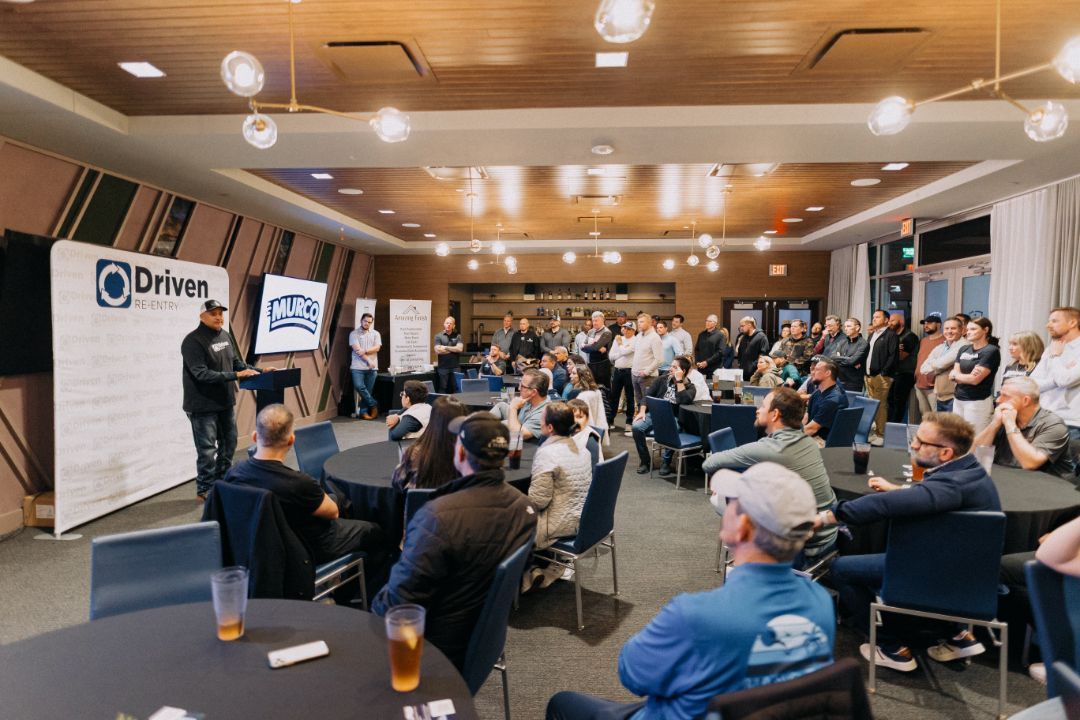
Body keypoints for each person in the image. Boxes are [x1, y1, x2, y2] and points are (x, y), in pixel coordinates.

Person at [546, 462, 834, 720]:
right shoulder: (820, 603)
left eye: (732, 502)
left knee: (562, 703)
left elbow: (632, 674)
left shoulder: (696, 615)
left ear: (743, 527)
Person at [818, 412, 1001, 672]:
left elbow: (881, 505)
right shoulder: (969, 471)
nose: (913, 445)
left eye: (920, 441)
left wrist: (830, 515)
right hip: (972, 575)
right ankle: (956, 633)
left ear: (946, 453)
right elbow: (933, 496)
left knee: (841, 569)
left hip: (941, 575)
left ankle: (891, 646)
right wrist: (898, 490)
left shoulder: (951, 485)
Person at [372, 413, 537, 671]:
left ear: (459, 455)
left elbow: (397, 604)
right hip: (483, 641)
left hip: (434, 650)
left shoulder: (437, 517)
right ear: (504, 457)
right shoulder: (525, 509)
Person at [225, 404, 384, 565]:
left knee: (339, 499)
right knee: (372, 530)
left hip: (257, 548)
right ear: (291, 440)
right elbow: (332, 512)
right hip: (306, 548)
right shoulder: (298, 483)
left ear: (254, 437)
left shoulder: (234, 474)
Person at [703, 387, 838, 567]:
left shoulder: (770, 449)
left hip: (807, 547)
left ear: (774, 415)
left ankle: (747, 564)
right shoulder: (810, 443)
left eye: (763, 405)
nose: (757, 409)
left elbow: (709, 463)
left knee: (725, 499)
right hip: (830, 533)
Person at [181, 299, 264, 500]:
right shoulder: (192, 341)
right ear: (202, 316)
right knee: (207, 450)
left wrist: (259, 371)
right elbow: (201, 374)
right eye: (213, 313)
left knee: (229, 444)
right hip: (202, 405)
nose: (218, 317)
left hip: (225, 402)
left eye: (220, 313)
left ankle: (223, 481)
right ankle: (205, 489)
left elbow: (236, 363)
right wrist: (235, 376)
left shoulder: (225, 336)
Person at [523, 402, 594, 591]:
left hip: (558, 525)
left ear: (550, 427)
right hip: (583, 520)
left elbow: (539, 501)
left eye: (542, 418)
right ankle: (538, 566)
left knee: (507, 519)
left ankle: (524, 572)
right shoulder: (584, 450)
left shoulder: (547, 454)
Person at [972, 376, 1073, 479]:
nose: (998, 400)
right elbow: (973, 454)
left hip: (1047, 486)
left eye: (1005, 396)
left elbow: (1030, 463)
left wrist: (1010, 425)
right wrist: (994, 425)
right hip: (1010, 478)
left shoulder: (1053, 425)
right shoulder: (1002, 416)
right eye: (999, 394)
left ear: (1025, 400)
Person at [631, 357, 696, 476]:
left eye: (675, 367)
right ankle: (645, 461)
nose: (670, 369)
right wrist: (642, 411)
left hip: (673, 417)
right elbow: (646, 397)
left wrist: (679, 381)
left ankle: (666, 462)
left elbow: (685, 401)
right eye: (671, 366)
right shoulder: (661, 380)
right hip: (654, 414)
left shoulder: (690, 387)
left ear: (684, 371)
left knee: (673, 429)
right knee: (636, 427)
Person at [390, 396, 468, 491]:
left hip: (419, 504)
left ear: (432, 419)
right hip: (458, 503)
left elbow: (397, 483)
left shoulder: (414, 452)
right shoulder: (469, 454)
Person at [1031, 306, 1080, 442]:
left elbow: (1065, 380)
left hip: (1072, 422)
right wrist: (1055, 379)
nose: (1048, 325)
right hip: (1045, 418)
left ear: (1072, 323)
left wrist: (1055, 358)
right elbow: (1032, 383)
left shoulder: (1054, 352)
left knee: (1067, 463)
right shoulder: (1051, 349)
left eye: (1054, 321)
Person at [950, 316, 1001, 433]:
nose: (968, 332)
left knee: (976, 441)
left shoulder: (990, 351)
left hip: (977, 402)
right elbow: (951, 375)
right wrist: (960, 376)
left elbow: (974, 380)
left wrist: (957, 376)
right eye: (967, 330)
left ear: (985, 330)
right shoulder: (963, 349)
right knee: (958, 438)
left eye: (973, 329)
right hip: (958, 399)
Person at [919, 316, 970, 412]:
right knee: (940, 426)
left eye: (953, 328)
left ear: (961, 330)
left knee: (953, 426)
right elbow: (923, 368)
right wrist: (940, 365)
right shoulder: (941, 346)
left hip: (955, 397)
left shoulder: (964, 345)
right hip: (940, 396)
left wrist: (936, 367)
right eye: (947, 328)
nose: (949, 331)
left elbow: (941, 364)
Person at [864, 309, 899, 444]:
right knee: (872, 404)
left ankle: (881, 434)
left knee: (880, 405)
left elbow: (893, 356)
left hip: (881, 376)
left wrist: (883, 372)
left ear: (886, 320)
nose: (874, 319)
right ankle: (875, 431)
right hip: (868, 375)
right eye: (873, 317)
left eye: (877, 317)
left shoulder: (891, 335)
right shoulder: (872, 334)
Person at [490, 368, 551, 441]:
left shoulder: (543, 414)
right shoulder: (530, 400)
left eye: (522, 386)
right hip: (518, 425)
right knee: (501, 406)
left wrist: (513, 407)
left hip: (524, 447)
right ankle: (481, 425)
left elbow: (517, 435)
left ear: (533, 392)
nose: (519, 388)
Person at [803, 357, 848, 444]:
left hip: (823, 441)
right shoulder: (817, 393)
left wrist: (789, 437)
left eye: (817, 370)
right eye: (813, 369)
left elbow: (812, 429)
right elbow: (806, 418)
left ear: (828, 373)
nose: (812, 372)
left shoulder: (832, 400)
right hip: (813, 436)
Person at [886, 313, 919, 424]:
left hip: (905, 374)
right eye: (889, 321)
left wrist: (890, 351)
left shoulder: (910, 336)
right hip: (894, 373)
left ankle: (895, 427)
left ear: (901, 322)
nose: (889, 323)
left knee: (898, 401)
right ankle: (888, 425)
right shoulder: (892, 336)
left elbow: (900, 357)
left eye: (893, 321)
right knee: (890, 399)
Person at [912, 313, 945, 424]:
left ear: (939, 325)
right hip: (919, 384)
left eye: (930, 323)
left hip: (934, 386)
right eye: (925, 323)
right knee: (925, 416)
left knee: (937, 417)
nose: (926, 325)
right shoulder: (923, 341)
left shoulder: (945, 341)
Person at [349, 312, 382, 420]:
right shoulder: (354, 334)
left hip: (372, 368)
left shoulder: (376, 333)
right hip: (357, 367)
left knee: (368, 390)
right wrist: (368, 360)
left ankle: (363, 412)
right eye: (365, 321)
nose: (367, 323)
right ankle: (373, 404)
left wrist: (366, 350)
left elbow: (377, 348)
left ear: (371, 323)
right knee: (359, 386)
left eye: (369, 322)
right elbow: (358, 350)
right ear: (361, 321)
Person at [631, 312, 664, 415]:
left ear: (649, 323)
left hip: (648, 376)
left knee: (648, 405)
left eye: (642, 322)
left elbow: (659, 359)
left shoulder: (655, 337)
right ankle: (639, 428)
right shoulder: (639, 336)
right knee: (639, 403)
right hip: (635, 374)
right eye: (638, 322)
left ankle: (647, 428)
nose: (639, 324)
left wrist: (646, 372)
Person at [608, 321, 637, 428]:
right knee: (614, 396)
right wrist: (621, 352)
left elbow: (625, 352)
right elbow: (611, 356)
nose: (625, 330)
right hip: (618, 370)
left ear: (633, 330)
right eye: (624, 328)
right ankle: (610, 420)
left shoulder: (636, 340)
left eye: (629, 328)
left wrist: (620, 346)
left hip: (629, 371)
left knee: (630, 397)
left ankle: (629, 422)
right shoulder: (619, 339)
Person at [831, 317, 869, 393]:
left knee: (851, 404)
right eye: (845, 326)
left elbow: (852, 361)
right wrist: (848, 359)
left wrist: (839, 359)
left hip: (853, 382)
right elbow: (832, 357)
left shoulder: (863, 343)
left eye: (849, 326)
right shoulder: (842, 342)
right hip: (839, 379)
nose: (846, 329)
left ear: (857, 328)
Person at [582, 311, 614, 388]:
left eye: (596, 320)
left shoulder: (607, 332)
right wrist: (594, 346)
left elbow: (594, 348)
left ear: (603, 320)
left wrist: (590, 346)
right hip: (591, 363)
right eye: (593, 321)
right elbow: (582, 348)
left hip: (602, 365)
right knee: (592, 387)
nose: (594, 323)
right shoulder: (590, 331)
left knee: (604, 388)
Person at [433, 316, 463, 394]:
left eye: (450, 323)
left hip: (455, 366)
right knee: (443, 387)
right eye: (447, 323)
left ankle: (457, 406)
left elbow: (460, 349)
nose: (448, 325)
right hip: (443, 367)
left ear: (453, 326)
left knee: (457, 387)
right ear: (444, 324)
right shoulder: (438, 336)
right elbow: (437, 350)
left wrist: (445, 347)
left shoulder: (458, 336)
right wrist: (453, 349)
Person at [735, 316, 770, 381]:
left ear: (749, 325)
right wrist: (740, 363)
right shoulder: (744, 337)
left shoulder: (761, 337)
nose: (741, 328)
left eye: (742, 326)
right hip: (743, 373)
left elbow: (763, 355)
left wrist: (753, 366)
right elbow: (740, 352)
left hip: (756, 373)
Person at [694, 314, 726, 379]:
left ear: (715, 323)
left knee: (713, 388)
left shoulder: (720, 335)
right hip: (701, 368)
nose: (707, 323)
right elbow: (697, 349)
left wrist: (707, 362)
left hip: (714, 368)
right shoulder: (701, 334)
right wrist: (697, 362)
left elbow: (720, 352)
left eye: (710, 321)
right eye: (706, 321)